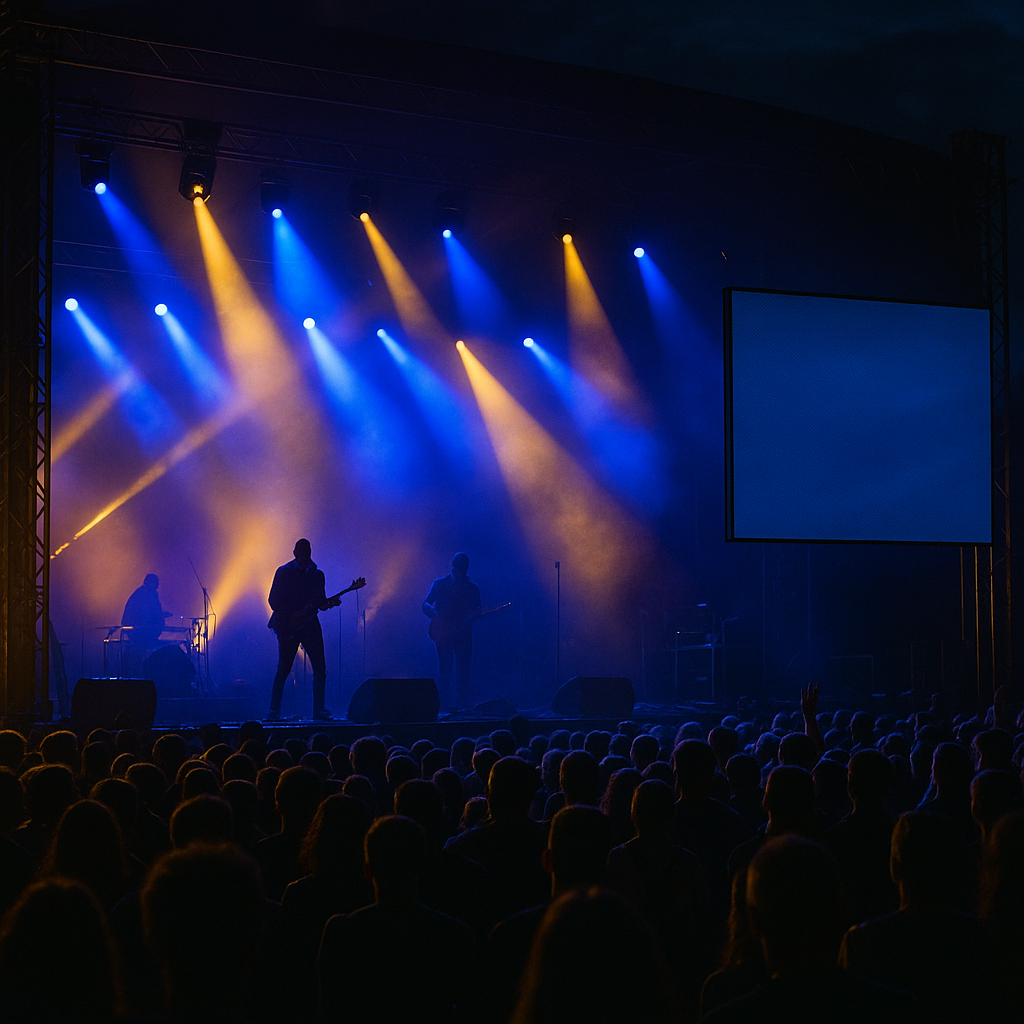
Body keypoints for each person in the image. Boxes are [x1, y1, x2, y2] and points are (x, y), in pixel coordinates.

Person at [267, 538, 339, 721]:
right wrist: (292, 613)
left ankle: (318, 710)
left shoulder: (317, 575)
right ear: (296, 553)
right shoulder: (284, 572)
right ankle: (274, 711)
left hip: (309, 624)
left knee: (319, 667)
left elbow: (320, 602)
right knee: (284, 667)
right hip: (288, 625)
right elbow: (273, 601)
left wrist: (328, 604)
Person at [422, 552, 481, 709]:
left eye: (461, 567)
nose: (458, 570)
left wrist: (469, 618)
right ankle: (443, 704)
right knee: (445, 669)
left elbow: (477, 610)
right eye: (457, 566)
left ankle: (461, 703)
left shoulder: (472, 588)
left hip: (463, 634)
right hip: (443, 634)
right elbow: (426, 604)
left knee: (463, 669)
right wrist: (437, 617)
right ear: (452, 566)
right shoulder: (440, 584)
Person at [121, 573, 171, 673]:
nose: (157, 587)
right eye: (156, 584)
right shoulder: (145, 594)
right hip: (141, 635)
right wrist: (160, 617)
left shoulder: (141, 593)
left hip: (139, 635)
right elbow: (147, 614)